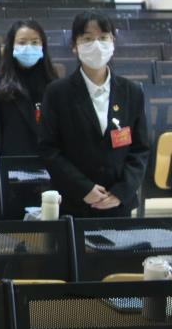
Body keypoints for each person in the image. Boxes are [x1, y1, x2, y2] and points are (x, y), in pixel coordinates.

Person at [39, 12, 150, 218]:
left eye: (103, 37)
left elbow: (140, 149)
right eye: (87, 39)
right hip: (74, 203)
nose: (96, 45)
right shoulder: (57, 93)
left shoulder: (132, 91)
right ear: (74, 45)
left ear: (113, 41)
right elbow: (49, 149)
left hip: (118, 205)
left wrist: (121, 192)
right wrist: (84, 188)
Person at [0, 19, 58, 157]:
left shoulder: (54, 86)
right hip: (11, 164)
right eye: (22, 43)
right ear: (11, 46)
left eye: (35, 42)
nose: (29, 47)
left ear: (43, 46)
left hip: (49, 164)